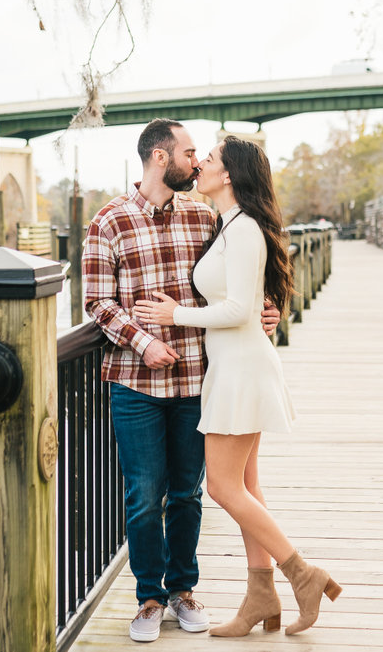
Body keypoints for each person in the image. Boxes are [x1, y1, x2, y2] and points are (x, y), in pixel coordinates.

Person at [133, 135, 341, 637]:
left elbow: (240, 310)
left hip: (242, 370)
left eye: (209, 160)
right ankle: (260, 595)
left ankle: (302, 574)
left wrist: (173, 314)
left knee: (225, 488)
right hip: (230, 367)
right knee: (247, 485)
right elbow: (252, 299)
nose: (200, 164)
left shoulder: (244, 228)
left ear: (228, 175)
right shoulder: (226, 225)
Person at [82, 119, 279, 644]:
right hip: (134, 382)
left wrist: (267, 308)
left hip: (199, 379)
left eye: (201, 155)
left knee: (189, 494)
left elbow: (241, 278)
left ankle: (182, 590)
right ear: (159, 158)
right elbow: (97, 302)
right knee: (145, 495)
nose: (197, 161)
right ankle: (148, 598)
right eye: (190, 152)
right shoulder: (108, 221)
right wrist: (143, 341)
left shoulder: (205, 216)